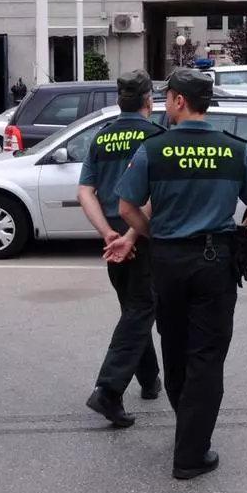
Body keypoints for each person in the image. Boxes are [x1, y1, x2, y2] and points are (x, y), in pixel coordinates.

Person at [117, 68, 247, 480]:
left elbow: (126, 209)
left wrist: (157, 234)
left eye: (168, 96)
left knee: (173, 348)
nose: (165, 103)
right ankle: (191, 450)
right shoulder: (234, 149)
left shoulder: (154, 149)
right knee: (207, 356)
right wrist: (243, 235)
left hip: (168, 262)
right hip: (215, 262)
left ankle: (187, 432)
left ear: (178, 101)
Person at [77, 69, 165, 427]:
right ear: (149, 102)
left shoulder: (101, 138)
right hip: (142, 237)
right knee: (141, 310)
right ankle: (109, 391)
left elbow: (85, 191)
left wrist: (109, 235)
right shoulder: (158, 137)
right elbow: (158, 194)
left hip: (113, 242)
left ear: (119, 100)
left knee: (134, 308)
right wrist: (131, 234)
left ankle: (149, 380)